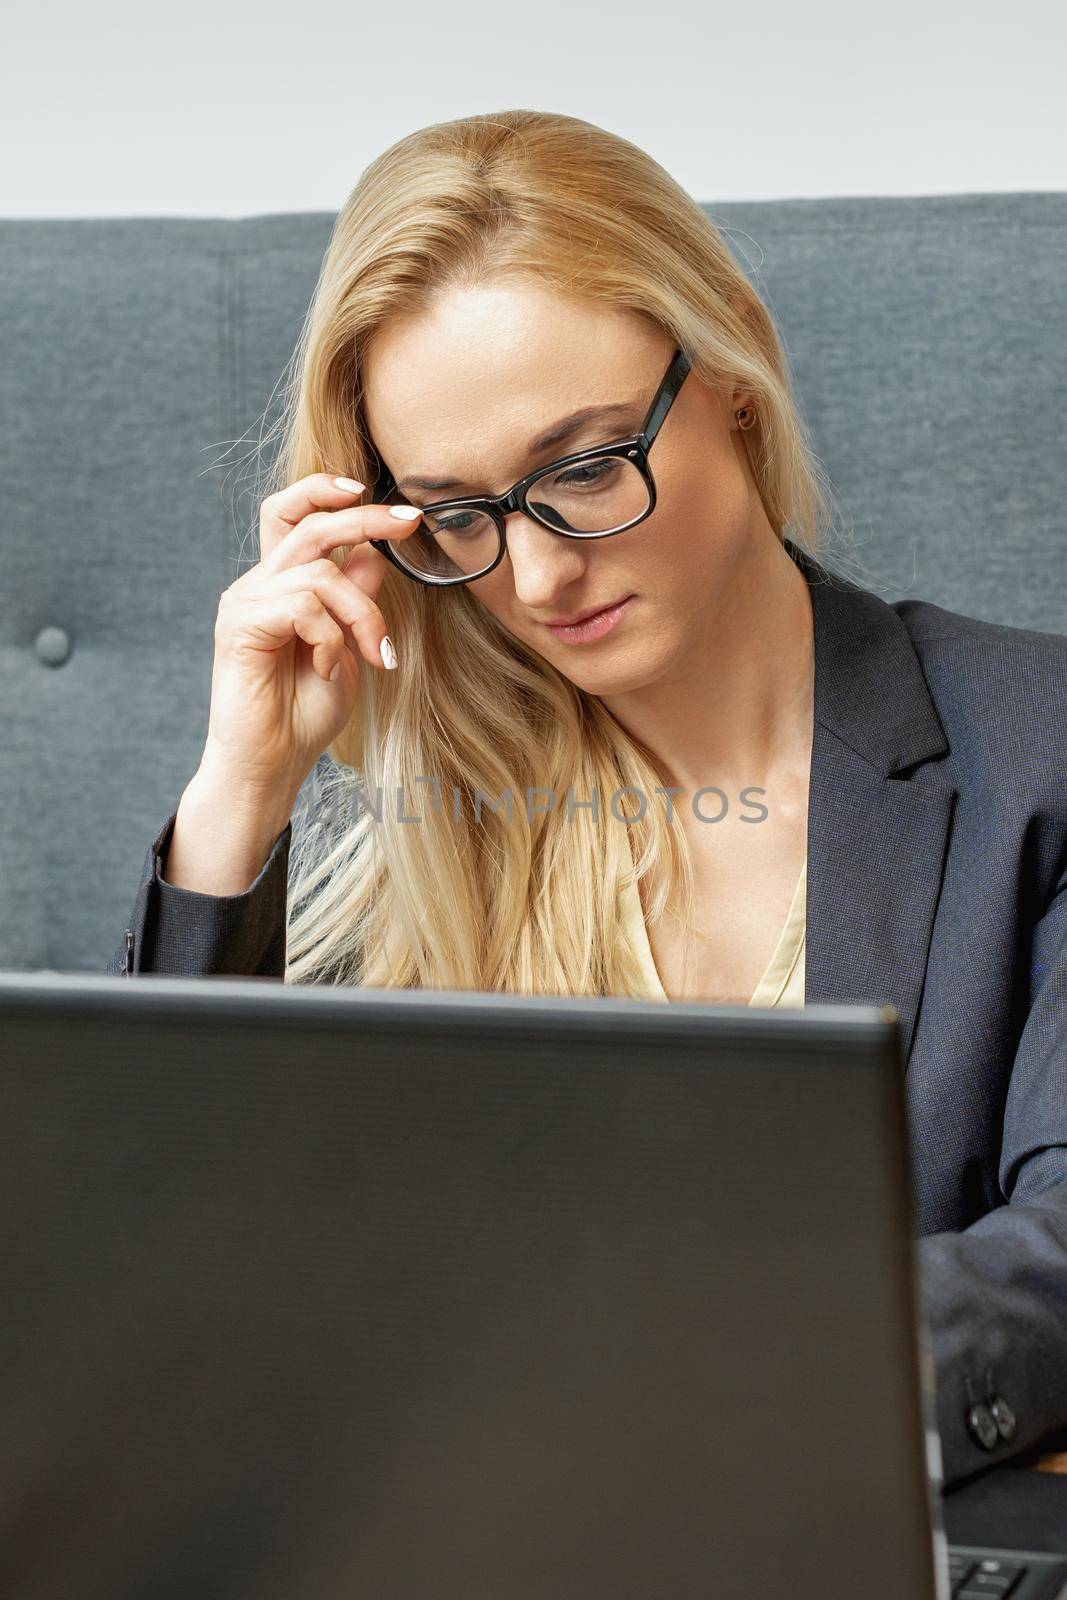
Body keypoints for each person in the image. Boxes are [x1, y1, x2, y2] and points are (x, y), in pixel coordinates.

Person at [106, 109, 1067, 1489]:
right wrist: (239, 793)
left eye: (583, 469)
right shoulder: (433, 822)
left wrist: (693, 1379)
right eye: (457, 515)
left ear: (731, 364)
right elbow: (157, 1281)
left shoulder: (1040, 752)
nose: (537, 580)